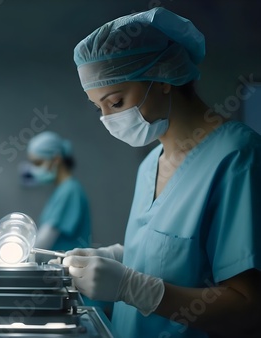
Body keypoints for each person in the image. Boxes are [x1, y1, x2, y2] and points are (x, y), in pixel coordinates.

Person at [63, 7, 261, 338]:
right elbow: (185, 260)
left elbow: (248, 308)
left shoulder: (238, 157)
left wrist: (135, 288)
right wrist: (120, 258)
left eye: (115, 102)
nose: (109, 120)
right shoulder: (149, 165)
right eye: (99, 109)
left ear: (161, 76)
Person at [27, 131, 92, 253]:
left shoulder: (70, 191)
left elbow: (43, 241)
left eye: (38, 163)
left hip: (70, 267)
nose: (34, 169)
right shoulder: (62, 190)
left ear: (56, 159)